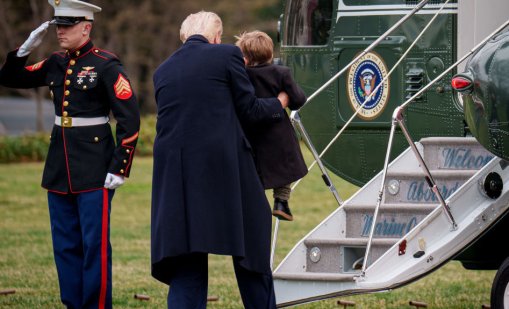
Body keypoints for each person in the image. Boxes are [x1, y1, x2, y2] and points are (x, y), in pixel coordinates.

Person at [0, 0, 140, 308]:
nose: (60, 31)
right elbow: (9, 79)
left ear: (86, 27)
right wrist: (24, 50)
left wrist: (120, 166)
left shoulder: (106, 64)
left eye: (67, 25)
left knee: (94, 246)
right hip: (59, 167)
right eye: (58, 25)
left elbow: (129, 119)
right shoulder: (55, 62)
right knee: (65, 245)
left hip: (94, 167)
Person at [151, 11, 289, 309]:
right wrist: (279, 103)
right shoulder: (226, 55)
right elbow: (249, 109)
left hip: (177, 176)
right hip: (225, 170)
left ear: (184, 36)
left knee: (187, 259)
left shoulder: (162, 70)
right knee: (251, 243)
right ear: (216, 38)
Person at [235, 30, 308, 221]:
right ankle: (281, 202)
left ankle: (256, 207)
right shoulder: (281, 73)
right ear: (270, 53)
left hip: (252, 134)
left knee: (256, 172)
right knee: (286, 168)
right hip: (279, 134)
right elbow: (299, 100)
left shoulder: (241, 75)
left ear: (245, 56)